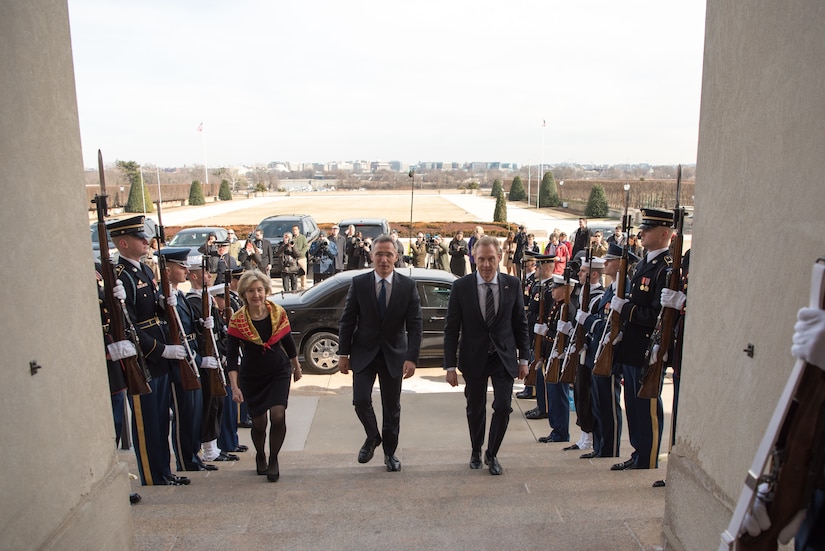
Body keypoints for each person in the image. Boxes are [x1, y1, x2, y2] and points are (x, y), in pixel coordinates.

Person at [109, 216, 190, 486]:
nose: (146, 241)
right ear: (123, 243)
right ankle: (152, 475)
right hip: (146, 360)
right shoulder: (123, 277)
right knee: (147, 423)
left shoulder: (143, 271)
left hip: (159, 358)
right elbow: (129, 327)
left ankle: (163, 471)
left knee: (160, 421)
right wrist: (162, 350)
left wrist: (165, 304)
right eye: (138, 238)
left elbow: (152, 315)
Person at [443, 235, 531, 475]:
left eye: (491, 259)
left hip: (503, 356)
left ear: (500, 258)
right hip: (474, 357)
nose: (486, 265)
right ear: (473, 258)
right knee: (475, 408)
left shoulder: (512, 284)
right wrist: (449, 366)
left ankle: (492, 454)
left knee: (503, 406)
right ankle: (475, 448)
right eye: (481, 259)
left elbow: (520, 324)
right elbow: (452, 327)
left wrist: (524, 359)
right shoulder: (461, 287)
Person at [337, 235, 423, 472]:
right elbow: (347, 320)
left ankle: (389, 453)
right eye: (379, 254)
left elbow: (415, 326)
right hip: (363, 352)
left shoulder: (407, 286)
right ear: (371, 256)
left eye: (388, 254)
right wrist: (343, 353)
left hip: (394, 355)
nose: (384, 260)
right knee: (361, 400)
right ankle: (373, 436)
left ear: (396, 257)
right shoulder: (359, 283)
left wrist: (411, 358)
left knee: (391, 408)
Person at [609, 208, 674, 471]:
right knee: (633, 404)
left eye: (648, 229)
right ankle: (638, 453)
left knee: (646, 405)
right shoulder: (645, 263)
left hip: (647, 347)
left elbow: (656, 315)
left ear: (665, 233)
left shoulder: (665, 268)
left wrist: (624, 309)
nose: (642, 233)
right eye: (643, 228)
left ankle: (648, 457)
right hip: (632, 345)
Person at [226, 270, 302, 482]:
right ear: (244, 294)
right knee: (259, 423)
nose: (256, 295)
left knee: (278, 415)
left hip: (278, 370)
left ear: (266, 291)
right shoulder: (237, 320)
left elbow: (288, 342)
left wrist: (296, 366)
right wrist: (235, 386)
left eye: (259, 290)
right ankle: (261, 454)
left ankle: (274, 458)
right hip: (252, 375)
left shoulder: (278, 313)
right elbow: (231, 357)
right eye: (251, 291)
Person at [291, 225, 309, 290]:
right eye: (293, 230)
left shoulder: (303, 238)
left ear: (298, 230)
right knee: (294, 275)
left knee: (303, 274)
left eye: (296, 229)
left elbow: (306, 246)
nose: (294, 231)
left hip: (302, 258)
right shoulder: (291, 238)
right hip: (293, 259)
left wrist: (301, 253)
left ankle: (303, 287)